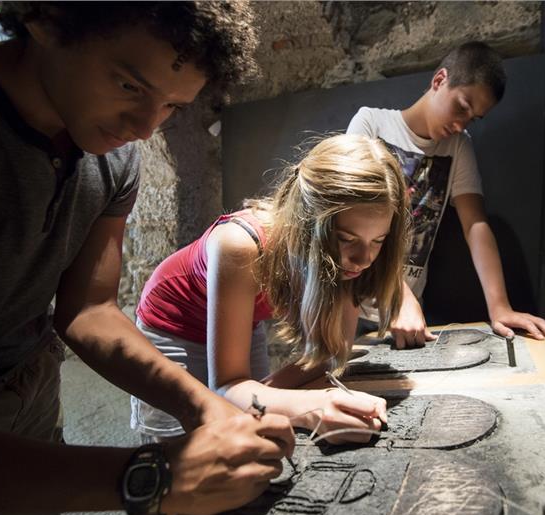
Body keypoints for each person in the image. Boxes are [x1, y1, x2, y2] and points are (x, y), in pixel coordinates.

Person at [0, 3, 294, 515]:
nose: (143, 128)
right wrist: (147, 474)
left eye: (172, 107)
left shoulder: (113, 157)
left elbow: (88, 308)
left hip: (31, 385)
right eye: (129, 85)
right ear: (47, 19)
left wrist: (201, 405)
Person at [131, 134, 409, 444]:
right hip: (173, 326)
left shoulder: (350, 259)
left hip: (239, 318)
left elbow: (332, 352)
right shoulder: (240, 244)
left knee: (252, 425)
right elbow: (227, 386)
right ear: (307, 223)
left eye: (378, 240)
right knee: (188, 446)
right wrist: (308, 406)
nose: (364, 259)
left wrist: (264, 397)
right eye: (346, 239)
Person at [346, 41, 545, 349]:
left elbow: (475, 225)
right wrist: (399, 293)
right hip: (352, 305)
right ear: (439, 80)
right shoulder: (371, 123)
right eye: (461, 106)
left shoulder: (458, 146)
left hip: (410, 318)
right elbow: (348, 214)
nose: (460, 124)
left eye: (473, 118)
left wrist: (500, 307)